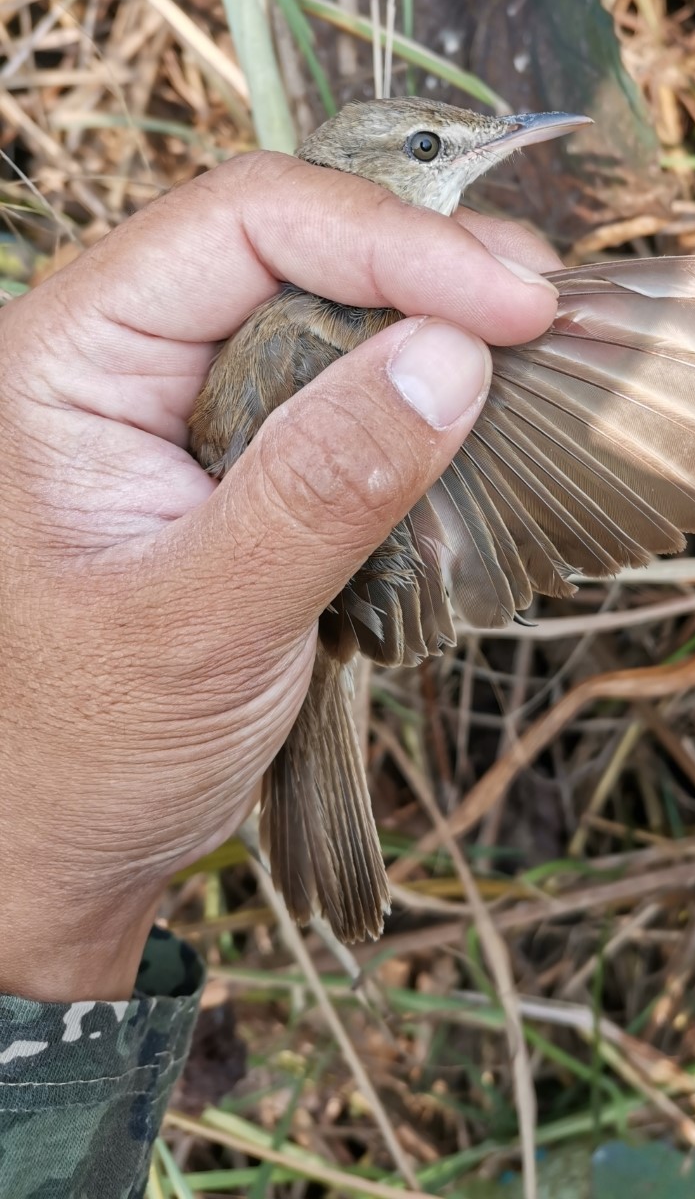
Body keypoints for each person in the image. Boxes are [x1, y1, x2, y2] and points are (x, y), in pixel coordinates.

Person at [0, 149, 559, 1197]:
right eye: (430, 146)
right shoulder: (350, 328)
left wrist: (57, 896)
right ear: (372, 167)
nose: (478, 151)